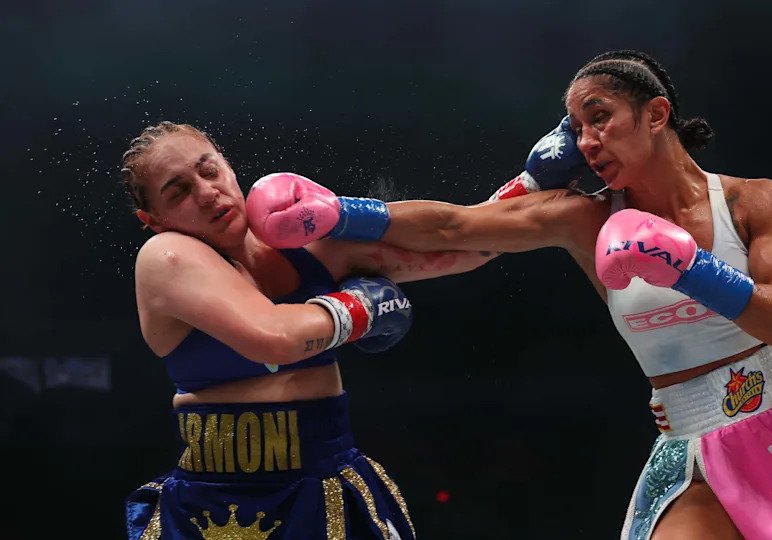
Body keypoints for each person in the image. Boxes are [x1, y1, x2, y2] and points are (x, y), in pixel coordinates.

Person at [257, 51, 772, 539]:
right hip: (695, 447)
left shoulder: (753, 201)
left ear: (657, 114)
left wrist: (689, 268)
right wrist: (340, 213)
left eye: (600, 117)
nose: (587, 141)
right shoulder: (583, 219)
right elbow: (453, 225)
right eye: (576, 128)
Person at [119, 121, 497, 539]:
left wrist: (535, 181)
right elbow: (276, 338)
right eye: (179, 192)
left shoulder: (306, 241)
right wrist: (363, 307)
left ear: (228, 166)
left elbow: (466, 240)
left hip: (327, 480)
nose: (208, 193)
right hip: (215, 506)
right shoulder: (164, 258)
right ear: (153, 220)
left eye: (209, 171)